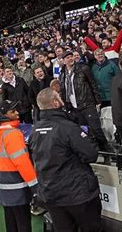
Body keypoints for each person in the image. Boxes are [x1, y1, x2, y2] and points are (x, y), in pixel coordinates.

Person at [28, 88, 101, 231]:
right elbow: (91, 154)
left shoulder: (34, 131)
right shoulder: (68, 128)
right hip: (77, 194)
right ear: (55, 102)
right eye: (59, 97)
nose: (62, 99)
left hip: (51, 195)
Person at [0, 100, 38, 232]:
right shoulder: (13, 134)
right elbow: (22, 163)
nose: (17, 113)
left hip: (3, 187)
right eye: (13, 111)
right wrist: (35, 186)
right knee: (23, 224)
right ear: (4, 114)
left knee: (10, 222)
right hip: (17, 187)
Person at [59, 51, 114, 153]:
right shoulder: (62, 73)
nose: (70, 59)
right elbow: (63, 89)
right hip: (74, 107)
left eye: (71, 57)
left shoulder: (83, 68)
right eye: (67, 58)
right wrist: (66, 105)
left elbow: (93, 84)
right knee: (84, 131)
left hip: (87, 104)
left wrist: (97, 100)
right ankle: (93, 151)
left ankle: (107, 152)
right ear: (63, 61)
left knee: (96, 130)